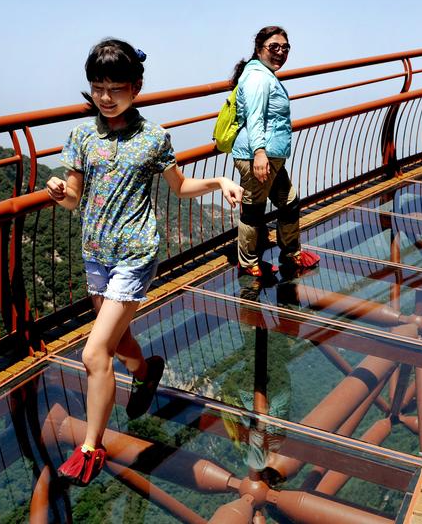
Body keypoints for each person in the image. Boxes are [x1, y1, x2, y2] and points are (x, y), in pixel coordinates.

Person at [45, 38, 243, 486]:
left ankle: (92, 447)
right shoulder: (81, 136)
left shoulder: (154, 138)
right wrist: (58, 191)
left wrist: (216, 180)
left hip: (135, 254)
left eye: (116, 87)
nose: (105, 96)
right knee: (116, 341)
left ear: (136, 86)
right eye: (98, 86)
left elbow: (179, 187)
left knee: (95, 352)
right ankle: (145, 368)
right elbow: (75, 199)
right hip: (95, 253)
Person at [230, 26, 319, 277]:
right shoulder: (258, 77)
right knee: (254, 209)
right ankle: (248, 264)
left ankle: (290, 252)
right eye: (274, 47)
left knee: (289, 201)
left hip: (272, 158)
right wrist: (259, 152)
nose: (280, 52)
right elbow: (255, 117)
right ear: (259, 49)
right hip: (259, 157)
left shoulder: (265, 74)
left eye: (285, 48)